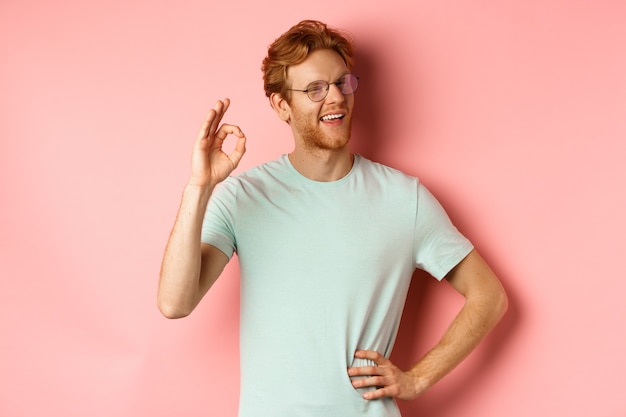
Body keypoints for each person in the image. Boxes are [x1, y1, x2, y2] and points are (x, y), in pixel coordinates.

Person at [158, 19, 508, 417]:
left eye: (343, 83)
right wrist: (199, 187)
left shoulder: (403, 198)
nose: (336, 99)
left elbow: (489, 296)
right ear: (281, 105)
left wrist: (419, 378)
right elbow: (174, 302)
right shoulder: (243, 197)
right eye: (315, 89)